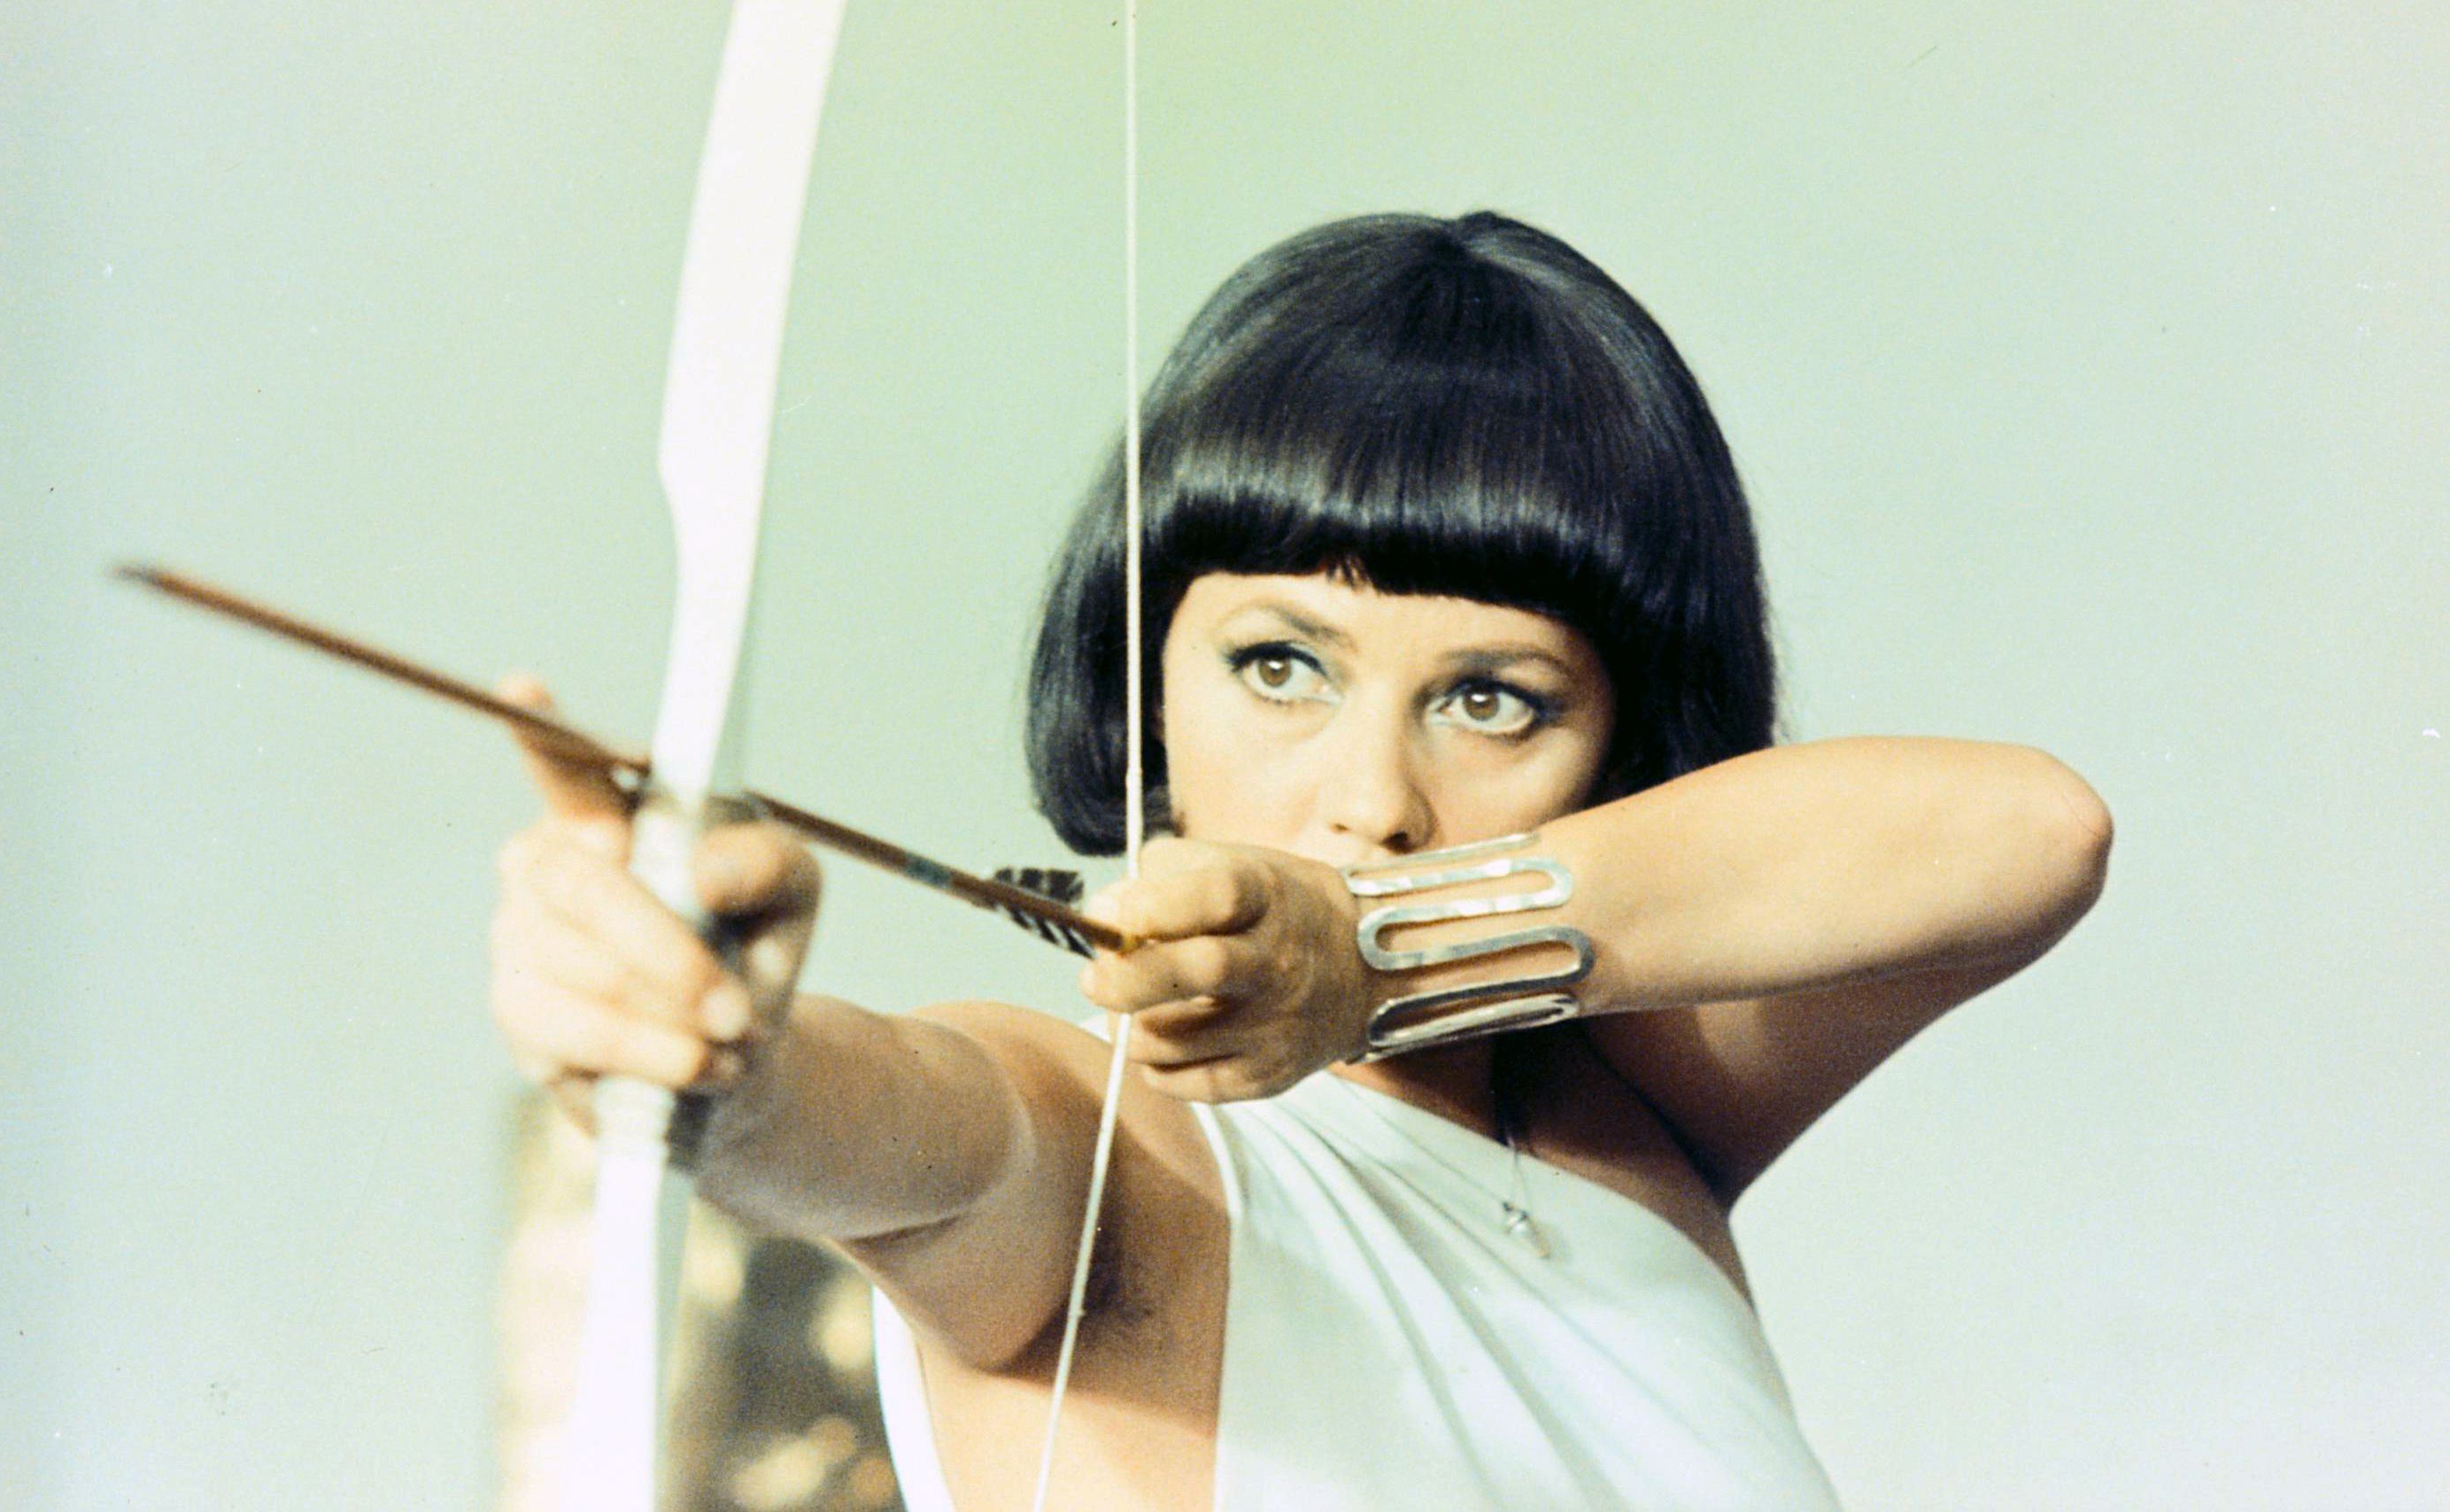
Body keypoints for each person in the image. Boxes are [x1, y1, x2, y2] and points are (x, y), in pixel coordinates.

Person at [488, 210, 2112, 1510]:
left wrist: (1378, 949)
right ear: (1149, 673)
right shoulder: (1103, 1146)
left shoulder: (1642, 1126)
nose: (1370, 800)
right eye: (1280, 665)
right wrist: (718, 1056)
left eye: (1491, 698)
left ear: (1623, 745)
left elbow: (2036, 835)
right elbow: (905, 1126)